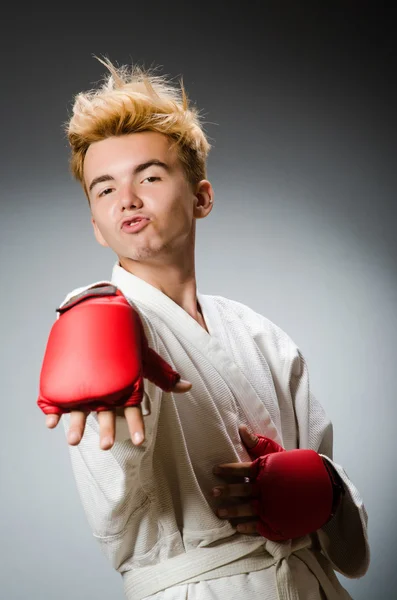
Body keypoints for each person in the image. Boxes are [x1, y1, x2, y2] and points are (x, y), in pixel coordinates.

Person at [39, 57, 369, 599]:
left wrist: (328, 489)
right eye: (104, 189)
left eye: (149, 176)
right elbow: (115, 480)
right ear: (96, 227)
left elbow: (334, 514)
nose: (127, 199)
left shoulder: (260, 334)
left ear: (201, 197)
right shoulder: (95, 325)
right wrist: (92, 321)